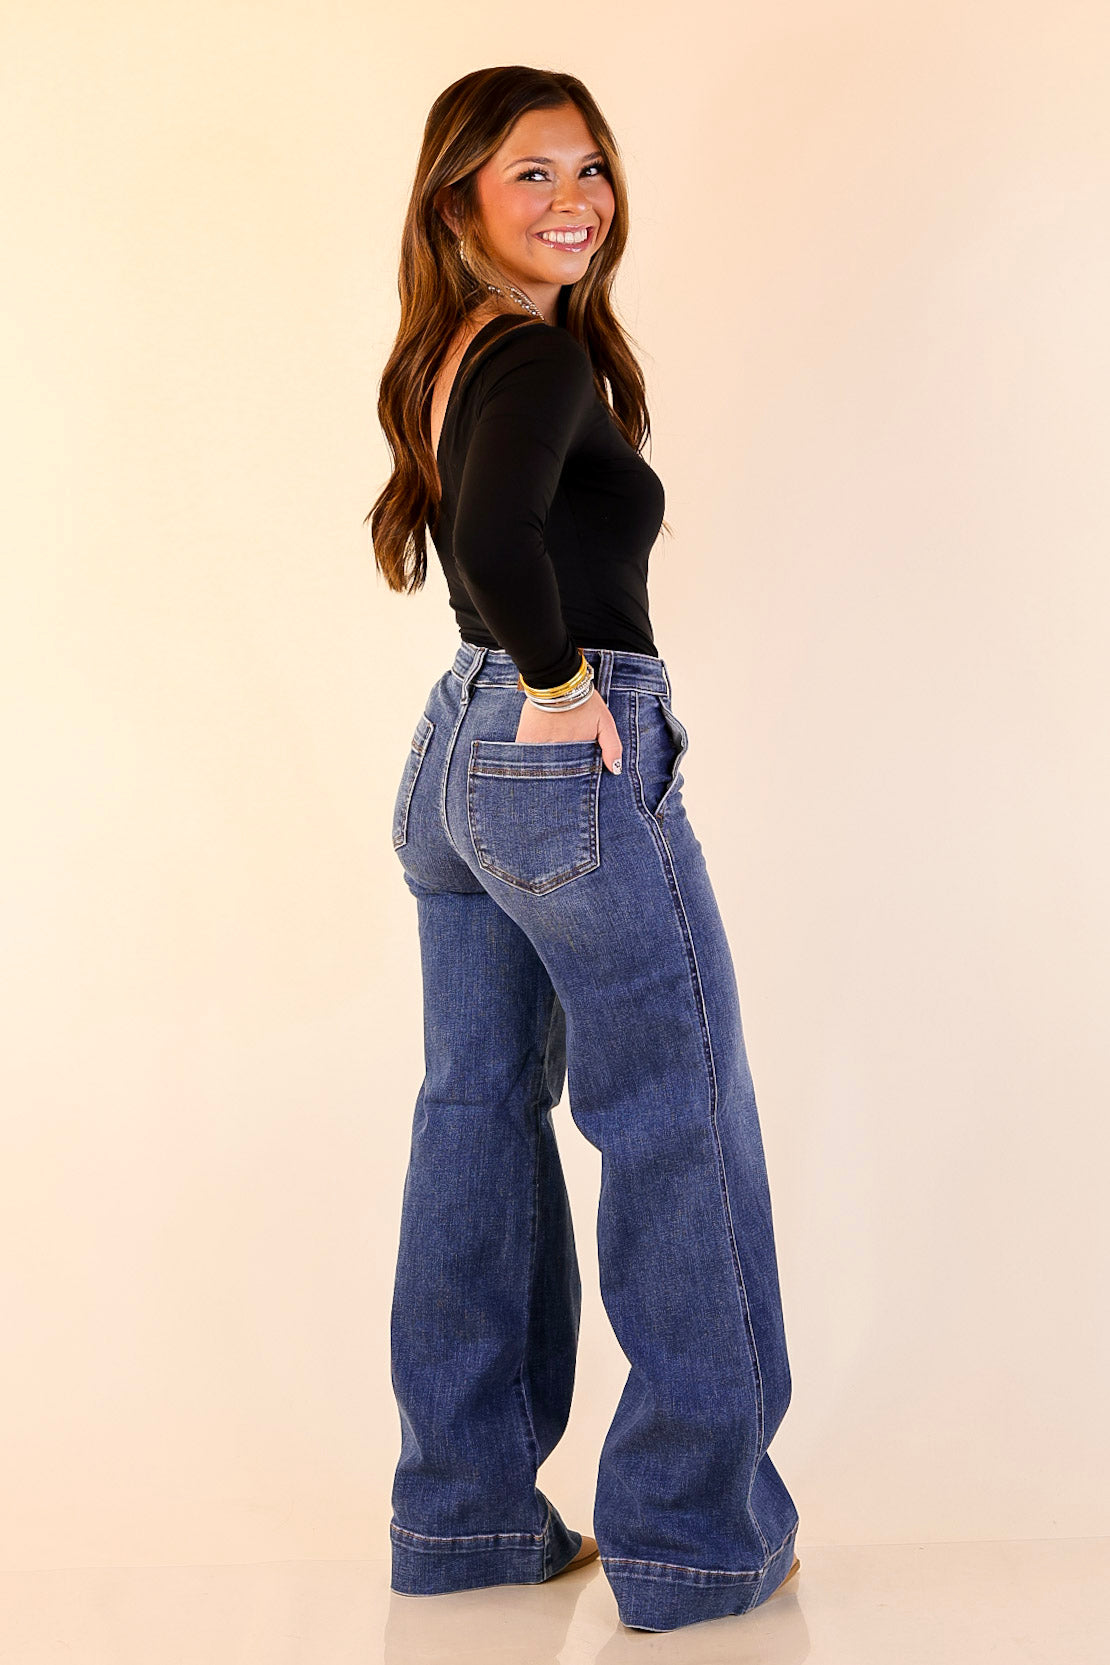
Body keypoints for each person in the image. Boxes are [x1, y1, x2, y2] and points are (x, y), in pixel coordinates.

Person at [368, 64, 801, 1635]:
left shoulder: (453, 348)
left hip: (457, 755)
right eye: (530, 175)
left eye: (589, 169)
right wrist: (564, 689)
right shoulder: (537, 357)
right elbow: (495, 540)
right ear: (458, 200)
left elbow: (481, 544)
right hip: (557, 743)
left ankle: (467, 1516)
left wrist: (521, 690)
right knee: (676, 1111)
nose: (573, 203)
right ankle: (693, 1537)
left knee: (475, 1112)